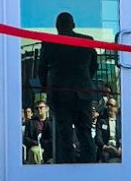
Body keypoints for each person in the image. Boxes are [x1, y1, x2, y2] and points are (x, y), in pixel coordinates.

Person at [37, 12, 98, 164]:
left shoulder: (49, 43)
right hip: (82, 93)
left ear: (57, 27)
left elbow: (41, 69)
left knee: (64, 134)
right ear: (74, 25)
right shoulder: (87, 41)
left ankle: (66, 168)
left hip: (60, 93)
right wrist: (84, 80)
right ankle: (89, 167)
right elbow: (94, 66)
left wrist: (46, 87)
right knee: (85, 132)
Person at [99, 97, 122, 161]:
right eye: (107, 105)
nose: (109, 107)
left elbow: (125, 136)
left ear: (116, 108)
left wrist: (121, 147)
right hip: (107, 148)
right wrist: (105, 147)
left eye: (111, 105)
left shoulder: (121, 122)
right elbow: (98, 137)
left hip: (119, 148)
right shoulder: (102, 121)